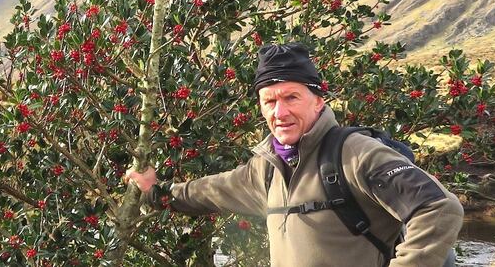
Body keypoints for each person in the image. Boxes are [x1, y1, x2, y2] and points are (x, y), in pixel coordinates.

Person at [127, 43, 463, 267]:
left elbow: (437, 207)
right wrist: (154, 191)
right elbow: (208, 191)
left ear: (318, 100)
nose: (280, 112)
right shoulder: (265, 169)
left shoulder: (356, 154)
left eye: (291, 97)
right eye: (269, 101)